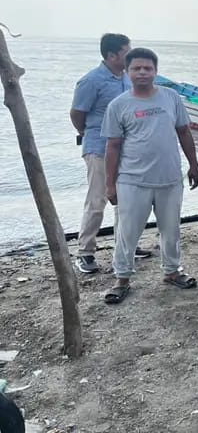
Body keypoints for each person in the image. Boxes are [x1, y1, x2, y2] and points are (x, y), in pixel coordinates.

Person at [101, 48, 198, 304]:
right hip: (132, 180)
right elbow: (113, 146)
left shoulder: (171, 97)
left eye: (148, 68)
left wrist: (194, 164)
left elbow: (184, 132)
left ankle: (172, 271)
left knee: (171, 229)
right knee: (127, 232)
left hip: (170, 179)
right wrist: (109, 184)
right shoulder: (118, 105)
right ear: (127, 71)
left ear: (156, 71)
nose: (142, 72)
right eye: (136, 68)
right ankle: (122, 278)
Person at [70, 33, 152, 273]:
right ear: (111, 55)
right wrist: (87, 132)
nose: (131, 56)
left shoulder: (127, 78)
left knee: (127, 200)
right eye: (127, 52)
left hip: (127, 149)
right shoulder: (91, 81)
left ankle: (125, 246)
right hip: (98, 148)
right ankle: (85, 252)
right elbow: (77, 114)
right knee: (97, 200)